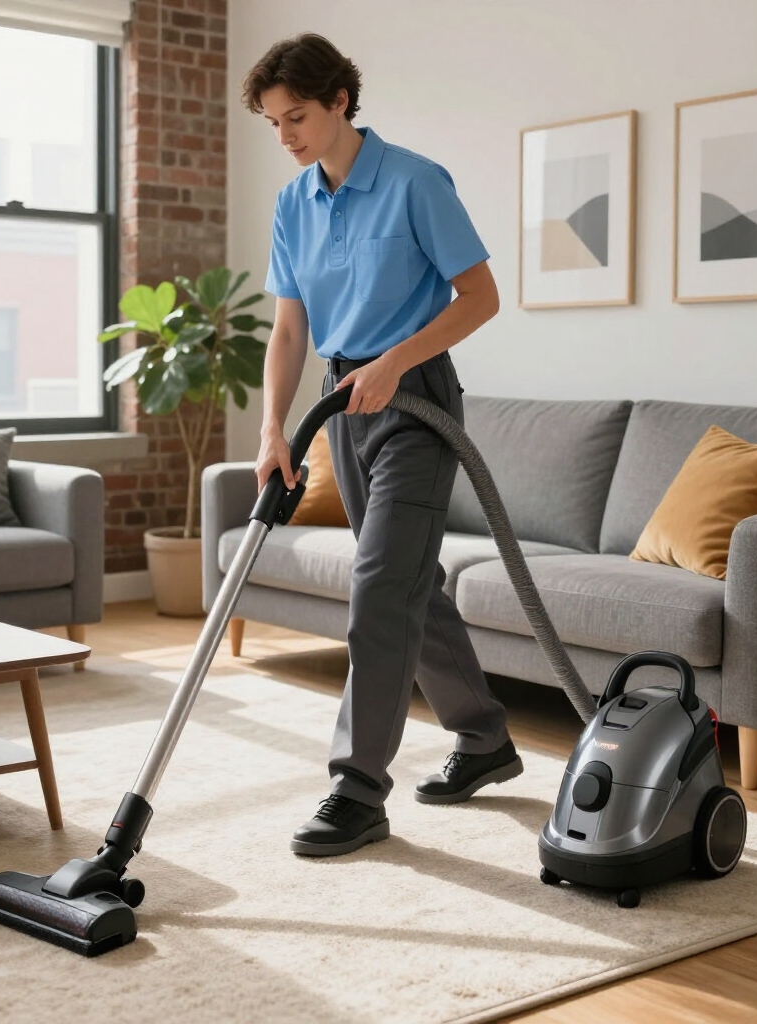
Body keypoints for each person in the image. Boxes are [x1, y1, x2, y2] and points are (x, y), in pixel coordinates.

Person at [241, 34, 523, 857]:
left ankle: (356, 787)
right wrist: (272, 430)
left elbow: (481, 297)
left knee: (377, 585)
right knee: (408, 584)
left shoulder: (415, 182)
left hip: (416, 403)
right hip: (343, 405)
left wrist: (397, 363)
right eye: (273, 123)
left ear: (339, 102)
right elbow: (289, 325)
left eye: (298, 116)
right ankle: (483, 739)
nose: (287, 134)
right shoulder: (295, 202)